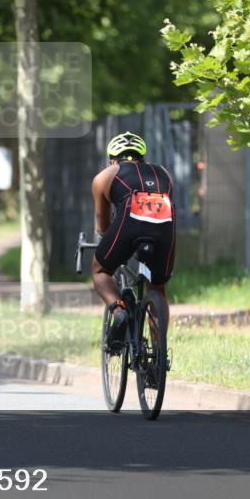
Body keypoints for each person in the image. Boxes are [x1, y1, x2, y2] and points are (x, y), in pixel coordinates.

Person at [91, 131, 176, 346]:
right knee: (157, 288)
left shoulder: (104, 176)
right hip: (165, 228)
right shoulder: (164, 173)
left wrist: (109, 242)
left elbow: (103, 225)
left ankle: (119, 313)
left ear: (112, 158)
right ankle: (157, 356)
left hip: (128, 225)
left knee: (100, 271)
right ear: (143, 157)